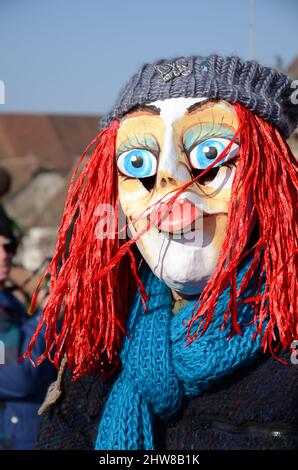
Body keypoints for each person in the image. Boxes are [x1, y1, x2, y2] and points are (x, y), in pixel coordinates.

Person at [26, 54, 297, 450]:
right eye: (138, 163)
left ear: (268, 180)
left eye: (211, 157)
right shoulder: (99, 341)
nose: (170, 179)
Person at [0, 215, 56, 450]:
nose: (4, 255)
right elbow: (17, 376)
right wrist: (44, 317)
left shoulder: (11, 302)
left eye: (8, 246)